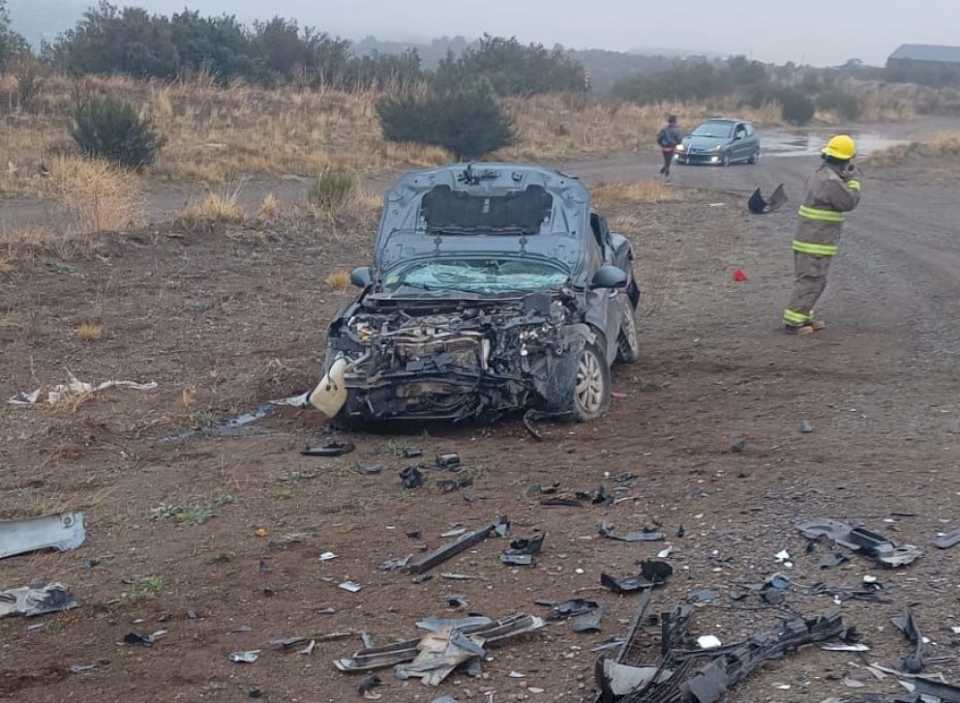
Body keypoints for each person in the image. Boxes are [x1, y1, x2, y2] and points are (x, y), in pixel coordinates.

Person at [783, 135, 862, 335]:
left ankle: (804, 317)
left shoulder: (820, 174)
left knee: (813, 279)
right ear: (846, 159)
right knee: (811, 279)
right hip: (816, 241)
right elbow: (848, 202)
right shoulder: (831, 181)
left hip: (810, 238)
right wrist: (853, 181)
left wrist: (843, 177)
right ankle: (793, 324)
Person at [657, 115, 682, 182]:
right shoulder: (677, 130)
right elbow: (679, 140)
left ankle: (660, 174)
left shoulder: (664, 129)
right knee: (668, 163)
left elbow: (659, 138)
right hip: (671, 148)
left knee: (667, 162)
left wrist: (661, 144)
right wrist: (676, 144)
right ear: (675, 122)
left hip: (664, 148)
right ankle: (667, 178)